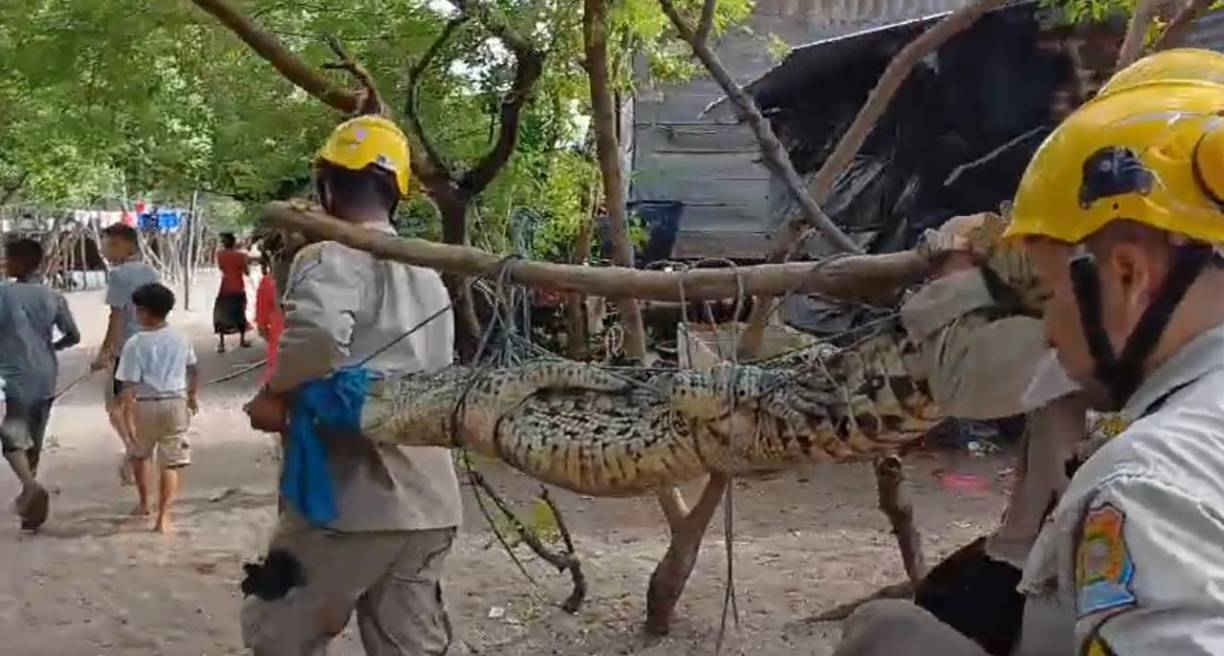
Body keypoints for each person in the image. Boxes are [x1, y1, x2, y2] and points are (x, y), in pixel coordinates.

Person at [834, 48, 1224, 656]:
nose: (1046, 332)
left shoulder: (1150, 484)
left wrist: (955, 276)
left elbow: (965, 377)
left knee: (886, 636)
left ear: (1127, 275)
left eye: (1049, 294)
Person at [241, 115, 462, 656]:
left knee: (280, 633)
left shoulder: (329, 254)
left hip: (348, 502)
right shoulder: (429, 272)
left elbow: (316, 335)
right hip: (429, 505)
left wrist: (276, 392)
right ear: (397, 192)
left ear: (326, 182)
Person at [0, 238, 81, 530]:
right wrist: (49, 348)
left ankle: (30, 487)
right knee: (34, 437)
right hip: (47, 373)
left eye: (6, 258)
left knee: (11, 437)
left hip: (14, 373)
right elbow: (73, 335)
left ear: (18, 262)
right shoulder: (53, 296)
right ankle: (30, 507)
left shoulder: (4, 294)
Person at [114, 283, 198, 534]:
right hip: (176, 403)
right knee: (171, 462)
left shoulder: (135, 343)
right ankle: (164, 517)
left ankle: (144, 504)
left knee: (141, 455)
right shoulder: (181, 337)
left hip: (146, 405)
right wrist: (193, 396)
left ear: (143, 311)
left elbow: (128, 385)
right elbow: (193, 369)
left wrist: (126, 415)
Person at [91, 223, 159, 483]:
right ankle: (138, 454)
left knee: (114, 406)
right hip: (150, 344)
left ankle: (134, 451)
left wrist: (104, 352)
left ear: (125, 245)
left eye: (109, 244)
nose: (105, 250)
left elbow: (116, 316)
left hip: (127, 349)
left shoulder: (119, 275)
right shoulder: (151, 271)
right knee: (134, 405)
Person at [253, 236, 284, 385]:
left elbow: (262, 327)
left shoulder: (268, 283)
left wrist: (275, 340)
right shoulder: (316, 280)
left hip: (279, 353)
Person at [214, 232, 251, 353]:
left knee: (222, 314)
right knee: (240, 312)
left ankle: (221, 344)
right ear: (234, 242)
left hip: (225, 287)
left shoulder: (220, 255)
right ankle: (242, 340)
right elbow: (247, 272)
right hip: (238, 287)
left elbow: (222, 268)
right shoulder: (241, 256)